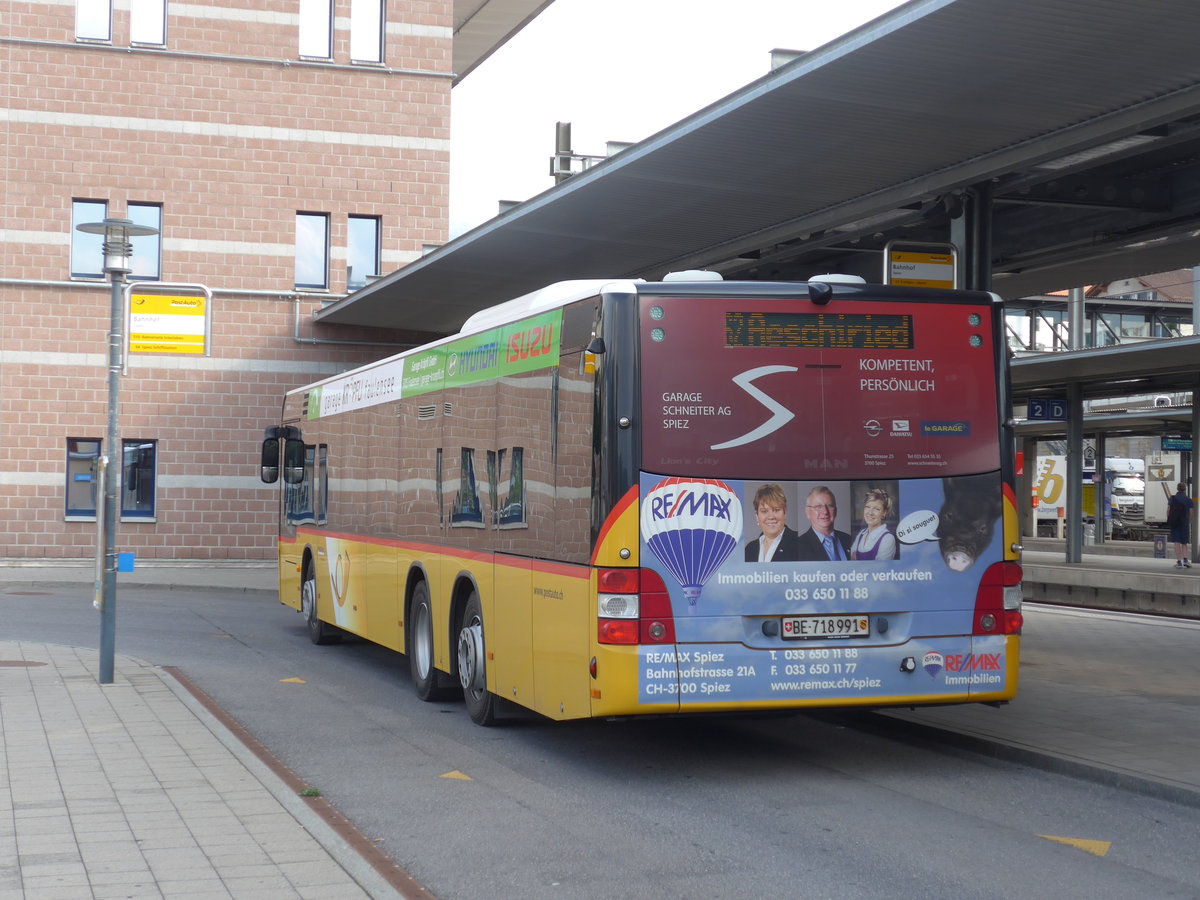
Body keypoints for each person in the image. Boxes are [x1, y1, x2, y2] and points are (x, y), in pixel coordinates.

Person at [744, 483, 800, 562]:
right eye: (764, 511)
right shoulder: (749, 549)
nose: (771, 517)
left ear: (785, 512)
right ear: (757, 516)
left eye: (776, 510)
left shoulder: (799, 543)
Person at [796, 485, 852, 562]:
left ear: (835, 510)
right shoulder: (798, 547)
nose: (825, 512)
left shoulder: (849, 540)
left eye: (829, 506)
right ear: (808, 512)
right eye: (818, 507)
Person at [850, 488, 898, 561]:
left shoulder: (887, 538)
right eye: (868, 507)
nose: (870, 512)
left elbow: (878, 570)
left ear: (884, 513)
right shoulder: (861, 534)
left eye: (876, 509)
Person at [1166, 482, 1194, 568]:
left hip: (1175, 523)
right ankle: (1185, 560)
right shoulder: (1188, 499)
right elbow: (1191, 513)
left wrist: (1170, 519)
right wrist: (1188, 521)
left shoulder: (1172, 498)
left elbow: (1168, 510)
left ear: (1177, 489)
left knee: (1177, 542)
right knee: (1184, 542)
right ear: (1185, 489)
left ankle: (1179, 562)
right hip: (1184, 523)